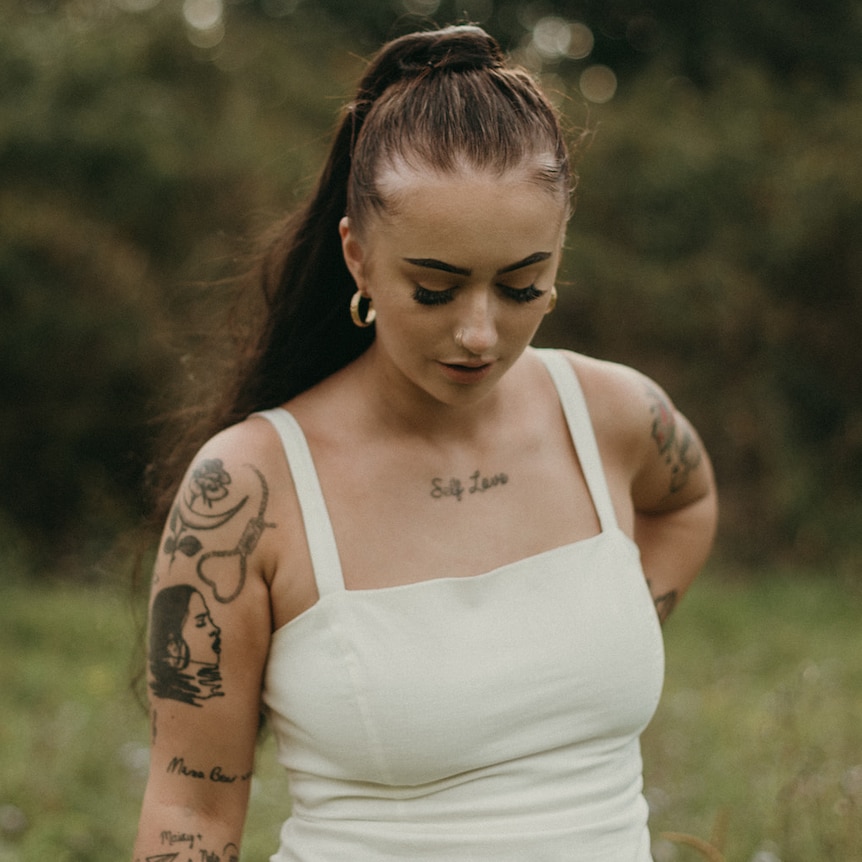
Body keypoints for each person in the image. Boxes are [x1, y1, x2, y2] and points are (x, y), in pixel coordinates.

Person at [132, 23, 717, 862]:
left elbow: (688, 500)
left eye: (521, 285)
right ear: (358, 258)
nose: (480, 333)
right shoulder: (252, 488)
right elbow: (190, 816)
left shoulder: (614, 413)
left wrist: (623, 617)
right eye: (435, 289)